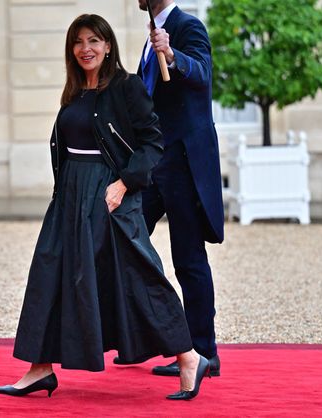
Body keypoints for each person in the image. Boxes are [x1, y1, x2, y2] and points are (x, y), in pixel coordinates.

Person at [0, 14, 210, 401]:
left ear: (108, 45)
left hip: (110, 196)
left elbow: (152, 143)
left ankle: (190, 357)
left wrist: (125, 183)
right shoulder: (75, 92)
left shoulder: (126, 88)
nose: (86, 49)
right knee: (49, 272)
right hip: (70, 196)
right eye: (78, 42)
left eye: (94, 40)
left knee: (139, 279)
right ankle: (39, 368)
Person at [122, 0, 225, 378]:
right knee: (125, 241)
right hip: (152, 163)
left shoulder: (186, 27)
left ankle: (203, 354)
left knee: (188, 260)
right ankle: (136, 338)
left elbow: (201, 72)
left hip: (181, 163)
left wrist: (173, 54)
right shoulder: (152, 33)